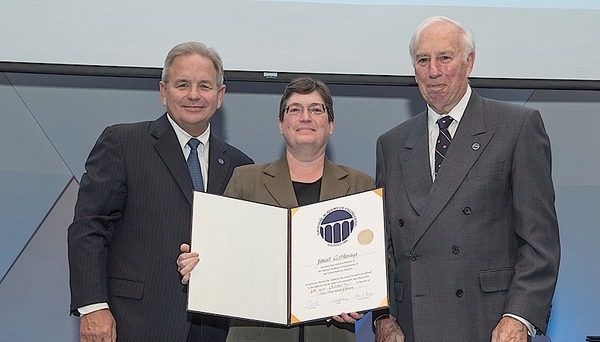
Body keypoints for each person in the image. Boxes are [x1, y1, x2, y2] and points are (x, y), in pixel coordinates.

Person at [374, 16, 560, 342]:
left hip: (488, 325)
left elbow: (540, 242)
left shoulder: (517, 127)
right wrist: (382, 317)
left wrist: (519, 317)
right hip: (412, 328)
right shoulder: (391, 144)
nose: (433, 70)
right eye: (422, 60)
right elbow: (383, 247)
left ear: (469, 61)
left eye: (444, 57)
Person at [68, 41, 253, 342]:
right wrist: (93, 307)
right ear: (164, 92)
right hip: (134, 323)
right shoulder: (123, 143)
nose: (194, 94)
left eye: (205, 86)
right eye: (182, 84)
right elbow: (89, 227)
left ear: (220, 96)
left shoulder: (239, 165)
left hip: (214, 329)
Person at [177, 76, 375, 342]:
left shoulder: (361, 186)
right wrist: (200, 265)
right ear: (281, 125)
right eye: (294, 110)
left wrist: (361, 298)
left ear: (330, 125)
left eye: (316, 110)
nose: (305, 117)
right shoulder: (245, 181)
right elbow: (222, 255)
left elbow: (376, 259)